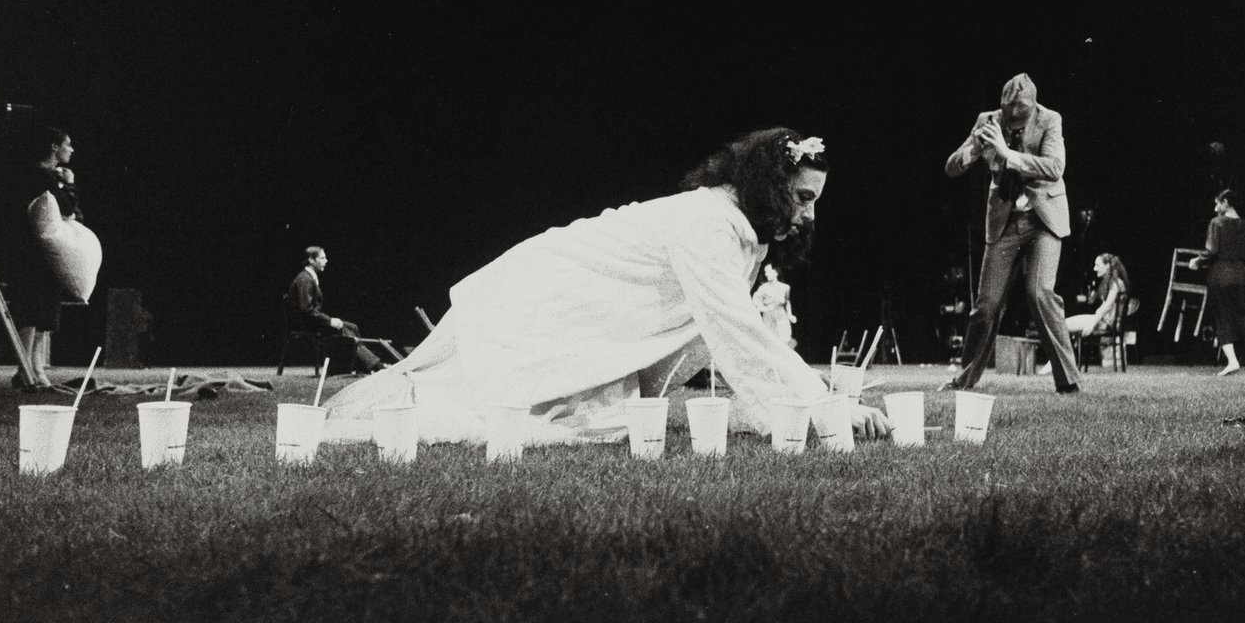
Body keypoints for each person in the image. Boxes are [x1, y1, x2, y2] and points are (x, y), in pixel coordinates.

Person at [323, 128, 891, 445]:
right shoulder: (707, 223)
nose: (811, 215)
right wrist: (824, 407)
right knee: (491, 402)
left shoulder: (742, 232)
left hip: (582, 297)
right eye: (804, 197)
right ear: (771, 184)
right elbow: (734, 331)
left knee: (600, 419)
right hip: (553, 288)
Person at [944, 73, 1081, 394]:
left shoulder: (1050, 120)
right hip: (1005, 221)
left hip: (1043, 218)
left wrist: (1008, 154)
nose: (1014, 126)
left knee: (1039, 294)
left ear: (1032, 109)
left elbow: (1055, 167)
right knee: (987, 305)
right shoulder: (987, 121)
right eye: (1009, 120)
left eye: (1020, 122)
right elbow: (952, 167)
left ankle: (1068, 382)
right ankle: (964, 380)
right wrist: (976, 147)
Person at [9, 126, 80, 389]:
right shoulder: (38, 175)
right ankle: (25, 369)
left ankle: (36, 368)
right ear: (54, 146)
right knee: (32, 310)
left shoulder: (49, 175)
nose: (71, 149)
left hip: (47, 252)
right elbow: (68, 207)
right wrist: (70, 183)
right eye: (67, 144)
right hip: (32, 252)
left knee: (44, 314)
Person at [1188, 189, 1245, 376]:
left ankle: (1233, 361)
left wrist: (1196, 260)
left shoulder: (1217, 223)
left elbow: (1212, 250)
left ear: (1226, 202)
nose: (1215, 207)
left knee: (1223, 317)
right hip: (1242, 275)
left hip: (1220, 275)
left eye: (1217, 203)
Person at [285, 247, 383, 375]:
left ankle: (363, 366)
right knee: (342, 329)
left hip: (311, 321)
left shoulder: (309, 277)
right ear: (311, 260)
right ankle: (375, 365)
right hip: (305, 324)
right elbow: (306, 309)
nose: (326, 261)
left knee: (352, 327)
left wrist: (328, 320)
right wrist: (329, 321)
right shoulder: (305, 279)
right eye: (322, 258)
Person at [1038, 252, 1131, 375]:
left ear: (1108, 266)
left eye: (1098, 265)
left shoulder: (1116, 283)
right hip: (1102, 321)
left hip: (1104, 323)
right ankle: (1060, 362)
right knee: (1061, 325)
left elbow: (1106, 307)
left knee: (1061, 326)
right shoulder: (1110, 282)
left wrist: (1092, 324)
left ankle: (1056, 362)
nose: (1094, 268)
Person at [752, 263, 796, 346]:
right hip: (768, 317)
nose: (766, 274)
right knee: (770, 342)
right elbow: (756, 301)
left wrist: (790, 315)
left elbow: (787, 302)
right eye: (765, 272)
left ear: (776, 272)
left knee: (784, 341)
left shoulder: (785, 287)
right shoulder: (763, 288)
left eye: (769, 271)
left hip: (781, 316)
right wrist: (763, 308)